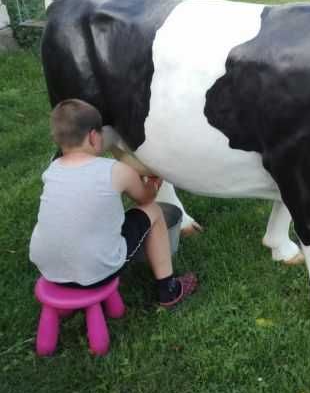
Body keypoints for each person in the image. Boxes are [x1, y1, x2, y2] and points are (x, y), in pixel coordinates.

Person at [30, 99, 197, 308]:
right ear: (93, 137)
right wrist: (155, 182)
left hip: (47, 266)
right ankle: (169, 289)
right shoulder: (115, 170)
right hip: (96, 269)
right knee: (153, 211)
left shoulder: (51, 171)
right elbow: (145, 199)